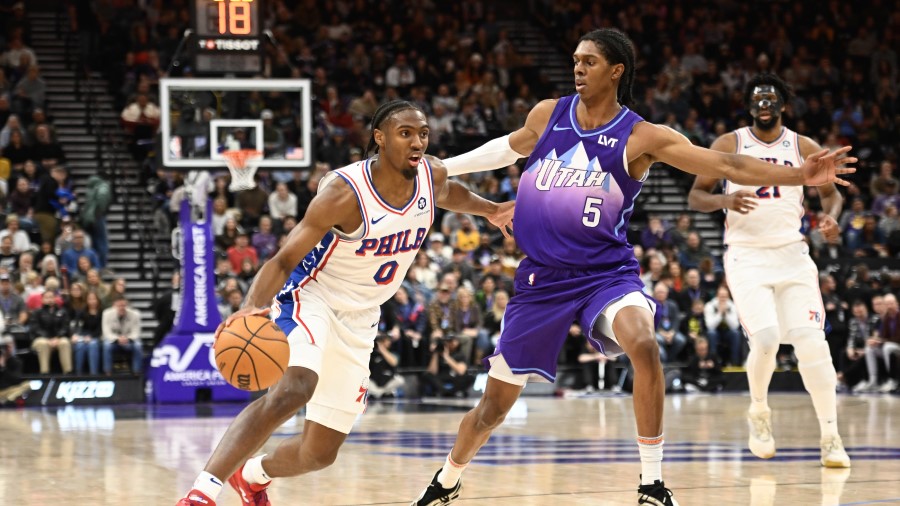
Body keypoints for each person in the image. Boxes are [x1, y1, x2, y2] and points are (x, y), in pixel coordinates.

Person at [411, 29, 854, 506]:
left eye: (589, 62)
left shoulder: (642, 135)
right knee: (493, 408)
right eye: (575, 61)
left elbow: (727, 162)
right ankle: (448, 478)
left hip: (605, 273)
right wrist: (441, 167)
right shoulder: (548, 113)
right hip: (541, 281)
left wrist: (798, 175)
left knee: (643, 343)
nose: (578, 69)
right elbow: (508, 147)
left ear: (616, 70)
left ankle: (651, 484)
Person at [175, 100, 513, 506]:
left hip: (363, 317)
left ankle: (252, 476)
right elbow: (283, 259)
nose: (417, 141)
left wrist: (491, 210)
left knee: (319, 453)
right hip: (312, 296)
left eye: (423, 133)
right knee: (296, 387)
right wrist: (252, 309)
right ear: (379, 138)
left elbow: (448, 192)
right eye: (405, 133)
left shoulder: (430, 174)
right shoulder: (343, 193)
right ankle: (202, 493)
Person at [688, 73, 851, 468]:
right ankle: (759, 413)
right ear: (749, 106)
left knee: (813, 343)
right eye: (758, 99)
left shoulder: (803, 146)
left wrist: (830, 220)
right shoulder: (730, 143)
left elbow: (832, 195)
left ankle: (830, 436)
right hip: (746, 255)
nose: (765, 105)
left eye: (771, 99)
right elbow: (696, 196)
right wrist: (725, 200)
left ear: (783, 105)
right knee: (765, 340)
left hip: (792, 254)